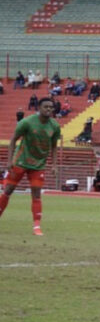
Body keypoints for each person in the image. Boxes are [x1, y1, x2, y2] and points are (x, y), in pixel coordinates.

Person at [0, 98, 61, 236]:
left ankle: (36, 227)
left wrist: (54, 165)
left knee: (36, 194)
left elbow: (54, 146)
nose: (49, 109)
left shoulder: (55, 126)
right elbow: (13, 139)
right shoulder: (26, 122)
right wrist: (9, 160)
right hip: (21, 161)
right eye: (46, 107)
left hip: (39, 164)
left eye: (51, 107)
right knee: (8, 190)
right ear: (39, 107)